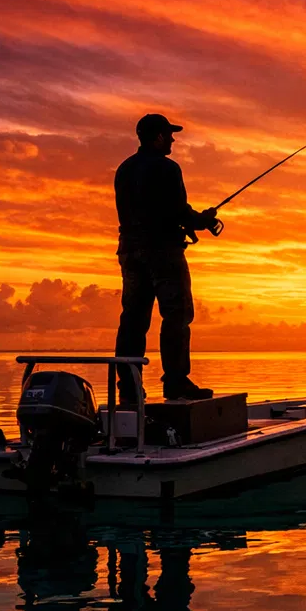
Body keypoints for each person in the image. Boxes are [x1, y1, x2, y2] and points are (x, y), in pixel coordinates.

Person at [113, 113, 220, 401]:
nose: (173, 139)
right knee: (177, 314)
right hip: (163, 252)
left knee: (133, 319)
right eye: (169, 134)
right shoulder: (167, 168)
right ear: (158, 136)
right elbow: (177, 211)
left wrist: (191, 220)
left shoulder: (123, 170)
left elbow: (151, 210)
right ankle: (176, 382)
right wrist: (204, 221)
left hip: (129, 250)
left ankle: (128, 389)